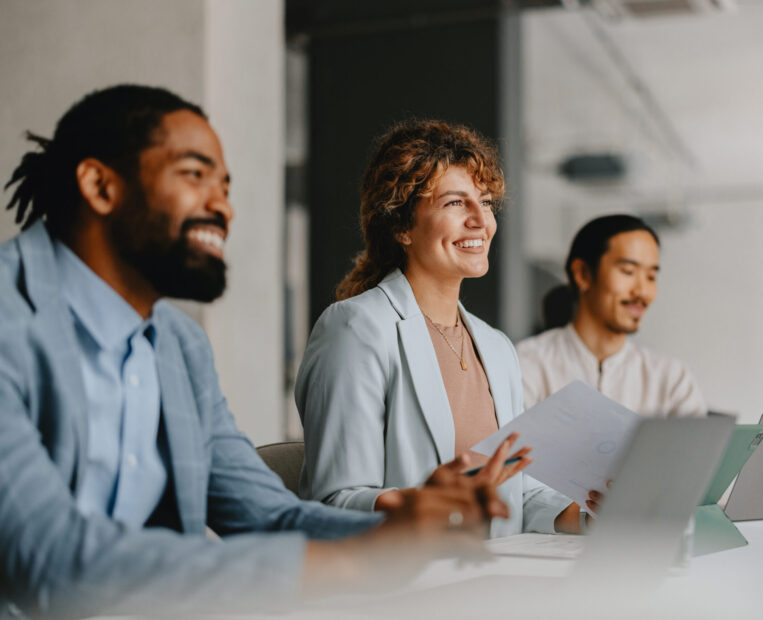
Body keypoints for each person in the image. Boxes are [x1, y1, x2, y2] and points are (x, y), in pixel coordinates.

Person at [0, 85, 511, 618]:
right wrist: (352, 562)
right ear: (100, 186)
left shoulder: (177, 344)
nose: (222, 206)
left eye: (225, 185)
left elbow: (268, 515)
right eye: (195, 175)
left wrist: (404, 525)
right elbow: (48, 559)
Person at [297, 119, 599, 539]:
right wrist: (425, 503)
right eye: (456, 203)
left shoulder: (496, 347)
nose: (481, 220)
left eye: (487, 202)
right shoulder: (355, 328)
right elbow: (334, 503)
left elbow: (517, 498)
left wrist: (589, 515)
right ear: (401, 225)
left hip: (495, 582)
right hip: (405, 588)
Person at [517, 214, 707, 416]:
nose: (643, 292)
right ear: (582, 274)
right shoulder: (526, 364)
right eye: (627, 271)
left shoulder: (671, 378)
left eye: (651, 276)